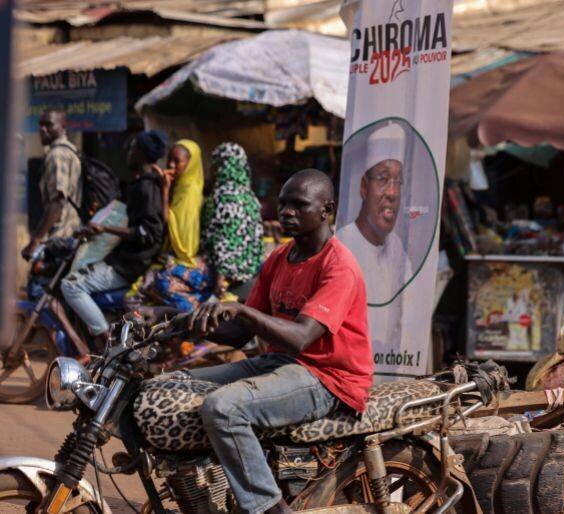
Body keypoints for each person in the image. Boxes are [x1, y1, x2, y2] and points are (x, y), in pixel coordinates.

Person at [153, 169, 373, 514]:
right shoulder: (279, 258)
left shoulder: (338, 266)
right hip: (282, 364)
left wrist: (238, 310)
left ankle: (269, 508)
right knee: (166, 386)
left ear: (326, 209)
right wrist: (176, 318)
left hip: (329, 378)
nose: (286, 212)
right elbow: (239, 333)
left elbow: (300, 338)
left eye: (299, 205)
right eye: (283, 204)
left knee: (225, 408)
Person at [60, 131, 166, 347]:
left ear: (142, 154)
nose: (128, 153)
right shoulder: (139, 185)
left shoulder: (147, 187)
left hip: (130, 264)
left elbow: (149, 232)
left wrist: (105, 228)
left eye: (132, 148)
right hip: (123, 259)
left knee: (70, 286)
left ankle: (108, 342)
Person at [336, 122, 412, 305]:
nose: (392, 193)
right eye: (383, 179)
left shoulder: (395, 247)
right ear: (364, 187)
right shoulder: (343, 246)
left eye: (398, 181)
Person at [128, 139, 208, 310]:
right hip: (173, 256)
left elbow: (176, 232)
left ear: (190, 163)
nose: (171, 164)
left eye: (177, 161)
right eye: (169, 159)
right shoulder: (181, 186)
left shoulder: (189, 192)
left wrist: (165, 191)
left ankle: (189, 318)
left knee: (144, 293)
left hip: (185, 258)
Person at [201, 142, 264, 299]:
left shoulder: (221, 196)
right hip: (251, 272)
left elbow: (223, 239)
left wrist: (220, 280)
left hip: (226, 278)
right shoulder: (250, 197)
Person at [22, 109, 82, 259]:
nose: (43, 129)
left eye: (49, 125)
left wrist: (35, 241)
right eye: (41, 125)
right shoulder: (71, 151)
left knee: (40, 282)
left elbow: (57, 203)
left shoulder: (57, 155)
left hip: (60, 240)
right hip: (71, 237)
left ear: (63, 127)